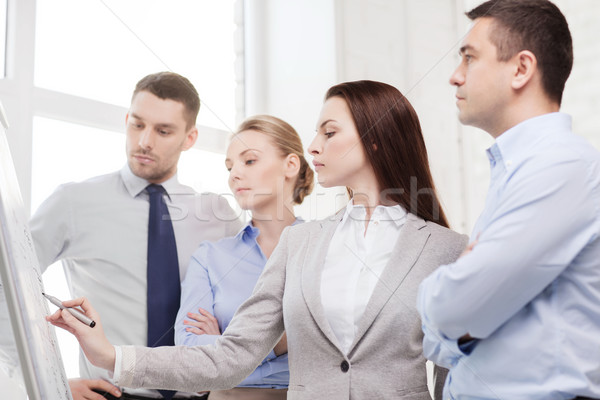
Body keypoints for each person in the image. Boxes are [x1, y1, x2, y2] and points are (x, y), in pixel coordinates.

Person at [47, 80, 468, 400]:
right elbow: (230, 355)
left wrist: (288, 339)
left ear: (375, 139)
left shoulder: (447, 250)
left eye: (329, 132)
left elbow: (456, 372)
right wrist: (109, 356)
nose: (313, 146)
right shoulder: (302, 245)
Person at [416, 1, 600, 399]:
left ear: (521, 69)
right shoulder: (518, 171)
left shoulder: (562, 166)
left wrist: (439, 297)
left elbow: (454, 309)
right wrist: (457, 306)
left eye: (469, 58)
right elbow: (439, 342)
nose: (454, 76)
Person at [31, 71, 242, 400]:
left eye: (163, 131)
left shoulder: (218, 216)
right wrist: (48, 379)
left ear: (189, 138)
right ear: (127, 119)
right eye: (138, 124)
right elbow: (10, 289)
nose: (145, 141)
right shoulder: (73, 201)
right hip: (110, 393)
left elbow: (252, 309)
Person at [174, 115, 314, 399]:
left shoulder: (326, 248)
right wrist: (282, 340)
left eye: (249, 161)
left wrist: (227, 347)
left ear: (290, 165)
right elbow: (191, 364)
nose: (234, 174)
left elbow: (343, 348)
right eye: (229, 166)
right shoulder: (211, 257)